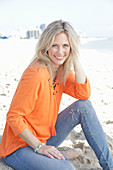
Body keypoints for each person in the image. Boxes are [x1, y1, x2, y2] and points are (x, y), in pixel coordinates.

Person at [0, 20, 113, 170]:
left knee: (84, 107)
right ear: (46, 46)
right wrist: (39, 146)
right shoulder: (36, 74)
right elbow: (13, 117)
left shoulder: (60, 71)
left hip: (45, 137)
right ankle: (60, 157)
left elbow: (83, 94)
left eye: (65, 45)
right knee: (66, 168)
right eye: (55, 45)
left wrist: (75, 57)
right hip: (19, 147)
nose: (60, 52)